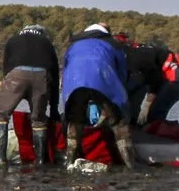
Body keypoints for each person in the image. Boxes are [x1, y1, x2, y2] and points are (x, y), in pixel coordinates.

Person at [57, 24, 136, 169]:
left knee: (75, 122)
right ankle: (130, 165)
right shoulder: (113, 44)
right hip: (103, 80)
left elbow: (66, 68)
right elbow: (122, 72)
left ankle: (69, 162)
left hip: (74, 84)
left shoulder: (73, 46)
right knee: (119, 123)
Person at [0, 24, 58, 165]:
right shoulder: (47, 42)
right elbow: (55, 75)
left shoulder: (13, 39)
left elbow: (6, 68)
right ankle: (40, 160)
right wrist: (54, 107)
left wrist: (9, 84)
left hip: (17, 74)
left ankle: (0, 160)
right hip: (42, 76)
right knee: (38, 118)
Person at [125, 40, 179, 131]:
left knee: (155, 113)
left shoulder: (139, 56)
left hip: (174, 80)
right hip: (169, 79)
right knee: (142, 111)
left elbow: (155, 78)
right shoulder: (137, 55)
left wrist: (147, 104)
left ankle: (160, 136)